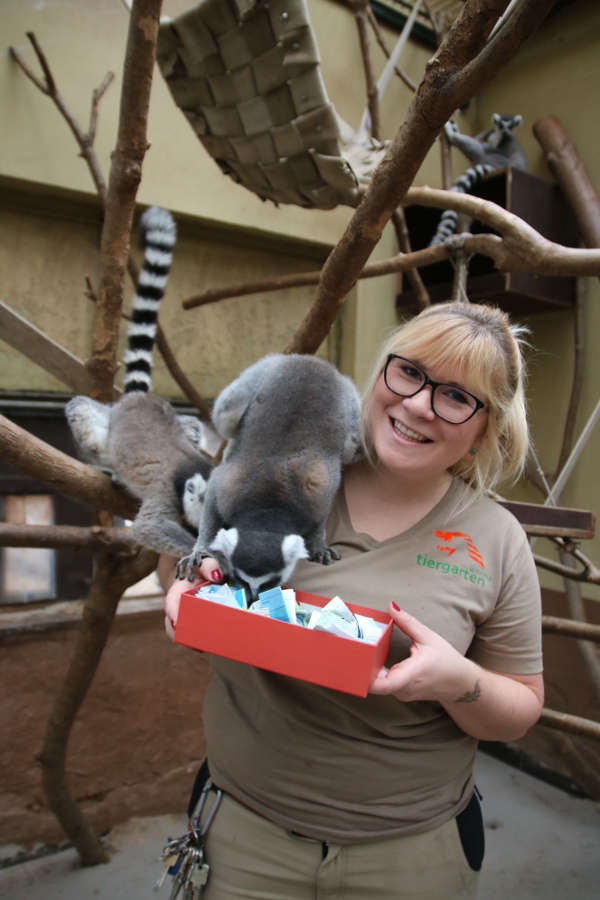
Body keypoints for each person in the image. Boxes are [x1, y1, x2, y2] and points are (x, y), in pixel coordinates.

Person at [159, 301, 544, 899]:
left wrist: (455, 681)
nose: (418, 404)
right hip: (243, 836)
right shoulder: (284, 467)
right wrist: (188, 585)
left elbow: (520, 707)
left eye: (456, 397)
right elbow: (188, 566)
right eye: (409, 372)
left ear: (483, 431)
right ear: (382, 373)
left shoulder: (495, 539)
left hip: (412, 856)